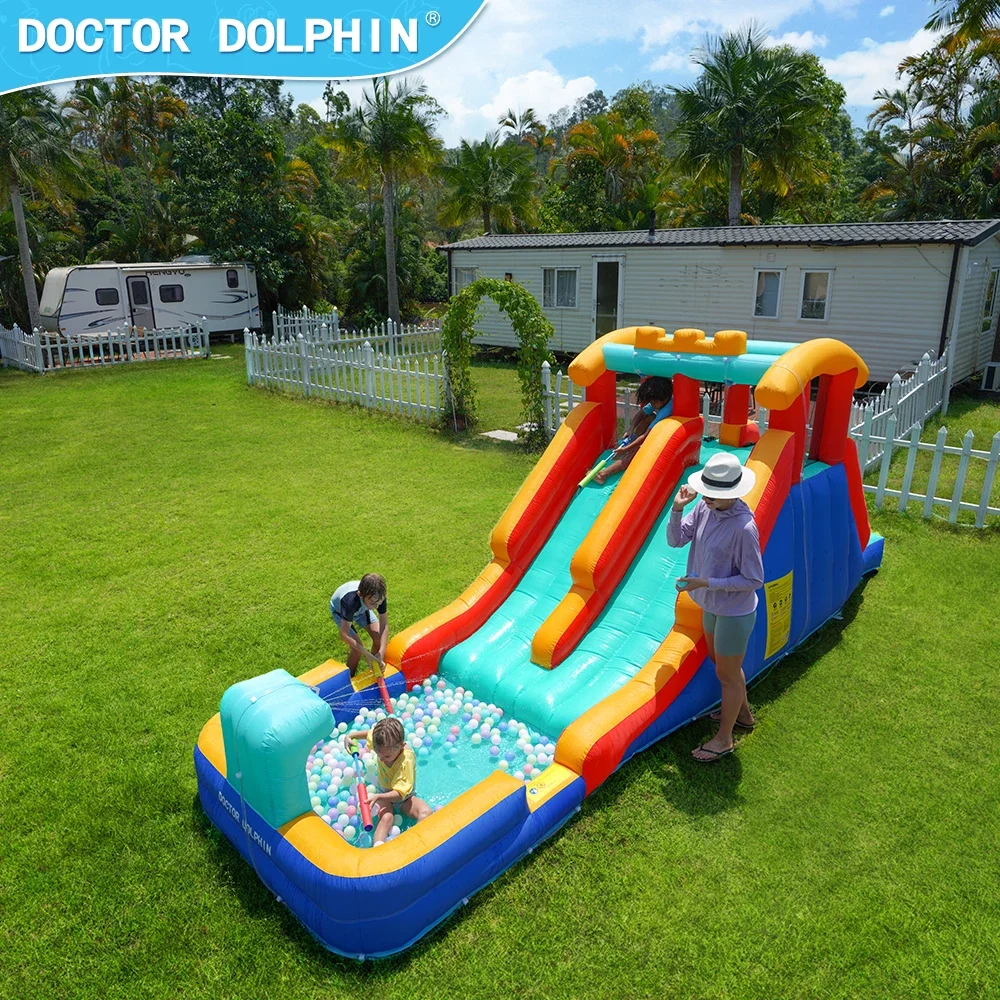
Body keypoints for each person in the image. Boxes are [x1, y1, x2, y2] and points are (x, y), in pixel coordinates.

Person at [666, 451, 764, 763]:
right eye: (705, 490)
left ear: (732, 492)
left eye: (712, 493)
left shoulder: (744, 528)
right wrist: (677, 509)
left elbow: (754, 579)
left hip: (735, 611)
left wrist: (706, 582)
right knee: (721, 665)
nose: (705, 496)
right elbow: (675, 540)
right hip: (711, 604)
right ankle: (743, 715)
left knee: (727, 673)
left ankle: (724, 739)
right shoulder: (704, 507)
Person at [341, 717, 432, 845]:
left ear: (400, 746)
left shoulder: (405, 761)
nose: (382, 759)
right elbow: (369, 734)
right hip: (384, 791)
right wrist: (350, 736)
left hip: (404, 797)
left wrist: (378, 797)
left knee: (426, 813)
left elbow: (400, 794)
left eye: (387, 756)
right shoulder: (382, 743)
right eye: (379, 755)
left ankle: (413, 846)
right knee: (387, 817)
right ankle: (377, 848)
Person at [595, 376, 674, 484]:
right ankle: (632, 443)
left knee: (636, 452)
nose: (652, 404)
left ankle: (603, 474)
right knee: (649, 417)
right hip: (656, 432)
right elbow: (641, 413)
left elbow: (646, 436)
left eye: (654, 402)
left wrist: (626, 449)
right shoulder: (660, 399)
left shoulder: (666, 410)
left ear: (665, 397)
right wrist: (631, 429)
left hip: (665, 439)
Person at [330, 573, 388, 677]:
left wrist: (381, 652)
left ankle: (374, 668)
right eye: (373, 603)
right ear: (360, 594)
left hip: (363, 608)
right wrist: (366, 654)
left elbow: (384, 624)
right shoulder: (350, 602)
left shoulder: (378, 596)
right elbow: (344, 635)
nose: (376, 607)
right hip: (340, 611)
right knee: (357, 650)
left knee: (378, 638)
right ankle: (349, 679)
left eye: (379, 603)